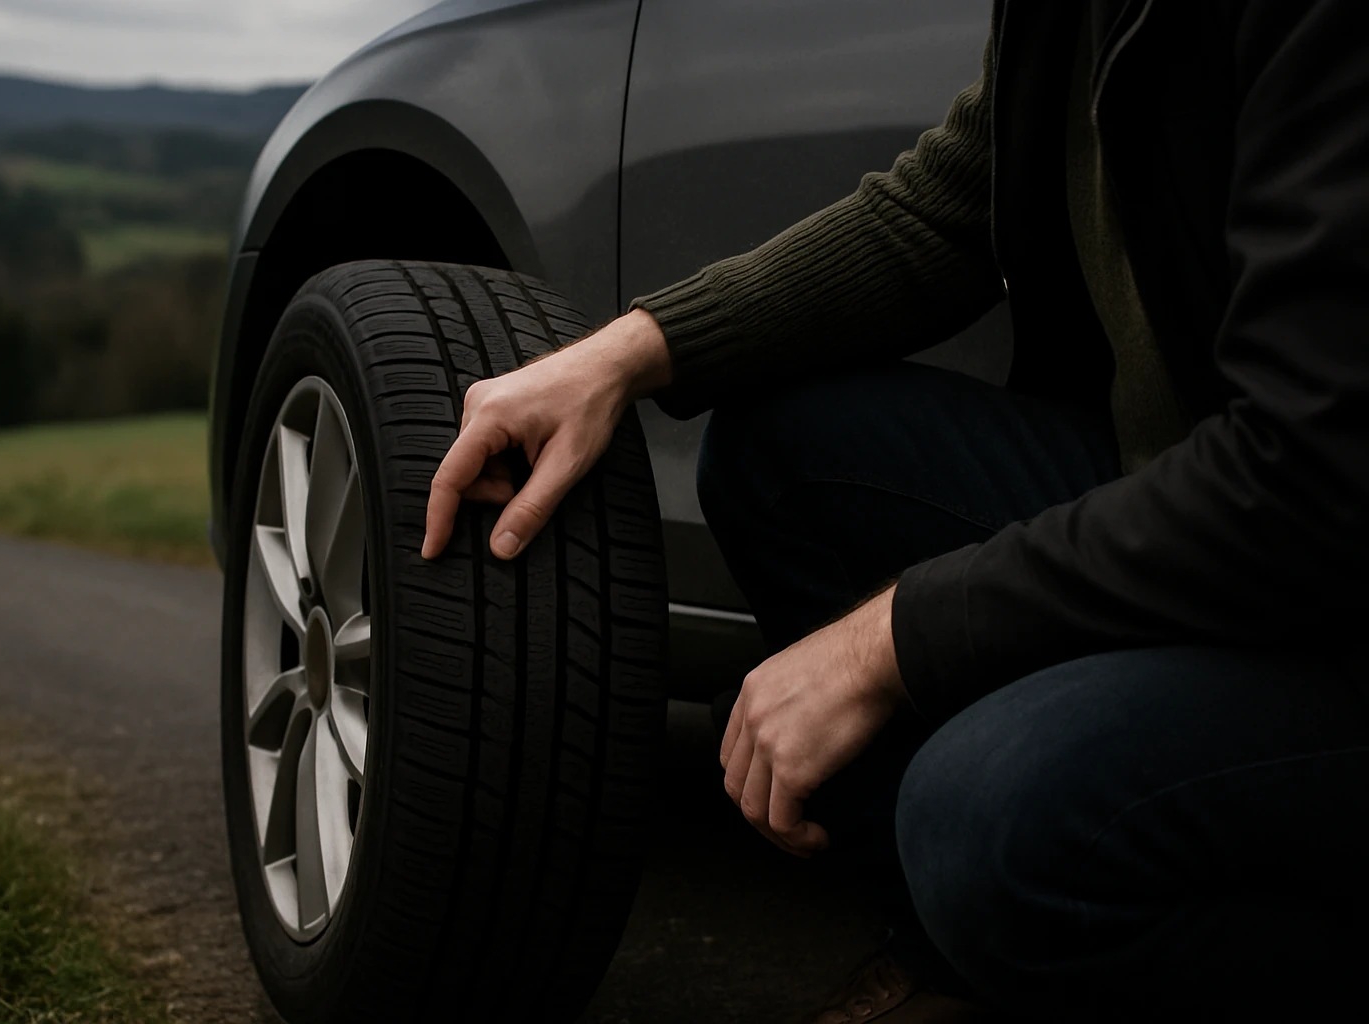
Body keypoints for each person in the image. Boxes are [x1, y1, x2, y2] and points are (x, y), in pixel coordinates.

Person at [422, 2, 1369, 1020]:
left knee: (983, 819)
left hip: (1321, 570)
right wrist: (630, 353)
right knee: (783, 451)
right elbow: (944, 206)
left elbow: (1307, 472)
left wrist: (890, 640)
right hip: (1217, 506)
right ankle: (959, 954)